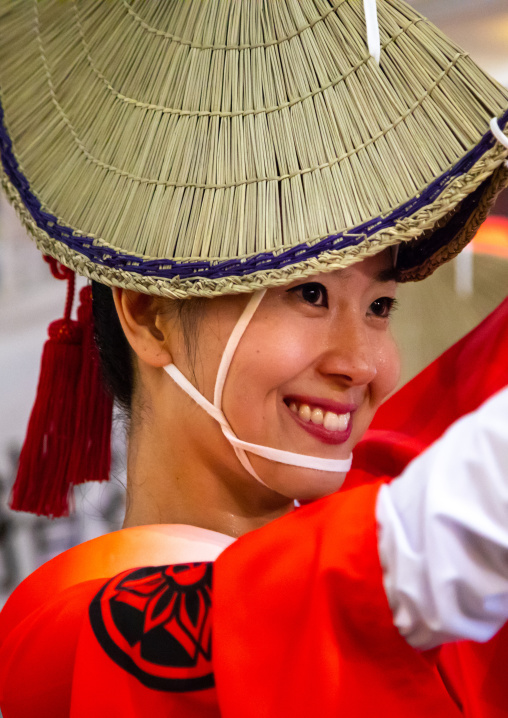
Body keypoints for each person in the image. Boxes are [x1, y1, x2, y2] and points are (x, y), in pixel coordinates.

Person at [0, 0, 508, 715]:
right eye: (308, 293)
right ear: (149, 316)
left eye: (380, 306)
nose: (361, 363)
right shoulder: (62, 644)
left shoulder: (371, 551)